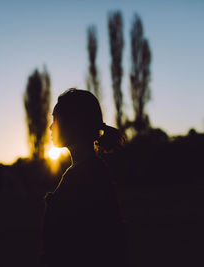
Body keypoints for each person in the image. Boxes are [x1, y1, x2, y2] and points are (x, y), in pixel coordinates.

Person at [42, 88, 129, 267]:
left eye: (55, 119)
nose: (51, 127)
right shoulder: (90, 171)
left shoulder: (84, 177)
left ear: (74, 123)